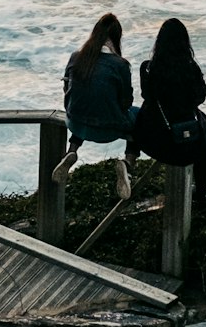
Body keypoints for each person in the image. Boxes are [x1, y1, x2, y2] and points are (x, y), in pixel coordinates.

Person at [51, 12, 141, 200]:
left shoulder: (76, 57)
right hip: (108, 131)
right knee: (140, 116)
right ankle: (128, 164)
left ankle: (72, 151)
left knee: (86, 105)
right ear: (117, 38)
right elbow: (127, 103)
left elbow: (67, 89)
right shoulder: (120, 65)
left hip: (75, 124)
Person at [134, 17, 206, 200]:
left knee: (138, 115)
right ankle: (202, 192)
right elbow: (200, 97)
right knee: (204, 131)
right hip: (188, 146)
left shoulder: (148, 68)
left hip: (156, 143)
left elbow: (147, 96)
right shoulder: (191, 69)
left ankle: (128, 164)